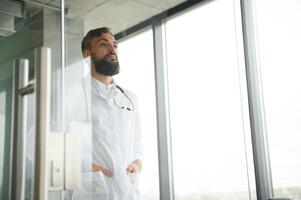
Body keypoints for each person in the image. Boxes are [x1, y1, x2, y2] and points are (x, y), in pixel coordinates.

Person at [80, 27, 143, 200]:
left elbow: (137, 141)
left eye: (115, 44)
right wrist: (87, 168)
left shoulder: (130, 98)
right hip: (92, 193)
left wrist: (137, 163)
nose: (112, 48)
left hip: (127, 192)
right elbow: (53, 149)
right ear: (87, 55)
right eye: (103, 44)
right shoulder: (73, 95)